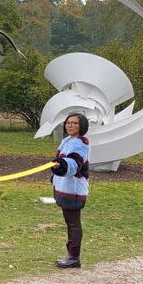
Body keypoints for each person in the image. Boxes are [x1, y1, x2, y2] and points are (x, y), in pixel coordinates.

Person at [50, 113, 91, 268]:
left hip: (73, 191)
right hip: (63, 188)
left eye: (74, 123)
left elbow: (74, 163)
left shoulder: (81, 143)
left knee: (73, 223)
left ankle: (74, 257)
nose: (70, 125)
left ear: (82, 126)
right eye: (68, 122)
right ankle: (71, 254)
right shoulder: (67, 141)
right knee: (70, 222)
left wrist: (63, 164)